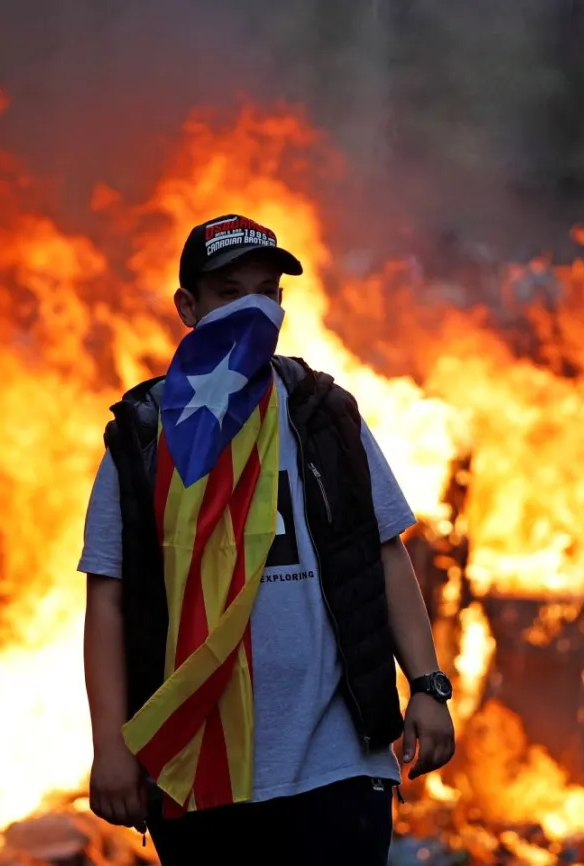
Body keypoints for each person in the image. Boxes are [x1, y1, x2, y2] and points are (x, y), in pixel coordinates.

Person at [80, 214, 455, 865]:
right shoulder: (142, 436)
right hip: (201, 767)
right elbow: (109, 600)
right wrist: (111, 748)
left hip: (337, 761)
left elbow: (384, 552)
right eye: (229, 293)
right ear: (187, 307)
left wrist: (427, 684)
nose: (252, 308)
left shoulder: (321, 412)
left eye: (266, 293)